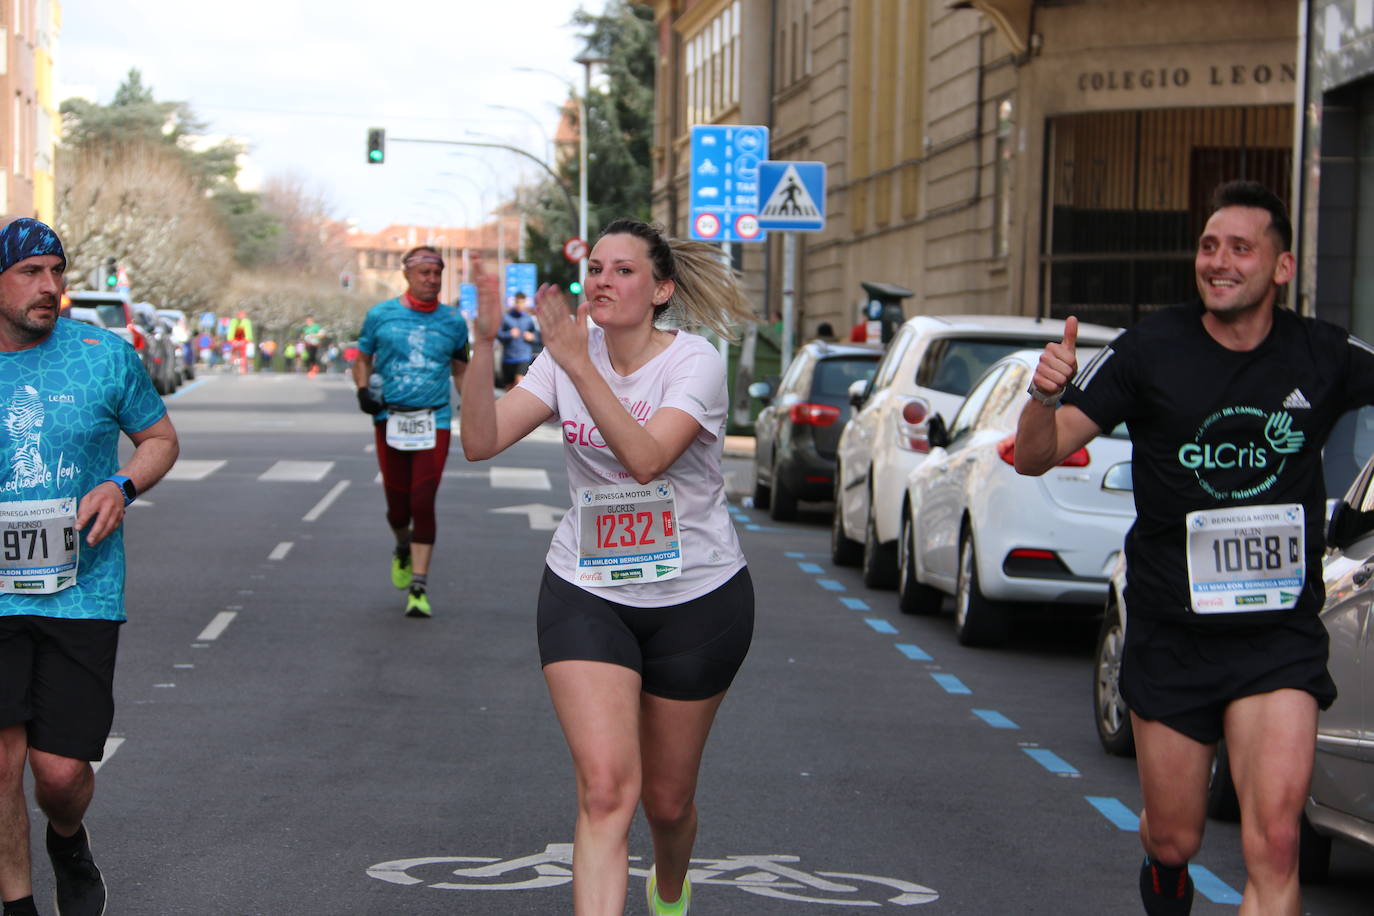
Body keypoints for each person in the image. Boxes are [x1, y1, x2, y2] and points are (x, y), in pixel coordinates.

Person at [1014, 180, 1374, 916]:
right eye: (1209, 246)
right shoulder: (1151, 349)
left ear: (1281, 267)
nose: (1219, 261)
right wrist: (1044, 397)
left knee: (1274, 843)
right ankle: (1168, 879)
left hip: (1277, 637)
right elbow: (1035, 456)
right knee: (1174, 837)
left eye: (1241, 248)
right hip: (1173, 634)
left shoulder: (1323, 353)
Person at [461, 218, 756, 915]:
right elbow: (480, 441)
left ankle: (671, 888)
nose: (602, 280)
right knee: (603, 791)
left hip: (698, 596)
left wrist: (579, 365)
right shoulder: (566, 356)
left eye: (623, 270)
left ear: (660, 290)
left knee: (667, 801)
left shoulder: (694, 363)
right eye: (595, 267)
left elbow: (647, 458)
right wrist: (479, 345)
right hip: (587, 588)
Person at [0, 217, 179, 916]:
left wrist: (122, 484)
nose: (50, 288)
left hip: (82, 590)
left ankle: (67, 837)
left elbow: (160, 438)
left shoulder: (104, 355)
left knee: (60, 773)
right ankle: (17, 904)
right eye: (30, 273)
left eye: (57, 272)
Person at [353, 245, 469, 618]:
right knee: (397, 507)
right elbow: (363, 359)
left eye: (437, 274)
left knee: (423, 501)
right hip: (391, 419)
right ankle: (402, 544)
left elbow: (461, 369)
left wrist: (473, 407)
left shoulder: (454, 321)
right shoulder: (380, 315)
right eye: (424, 274)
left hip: (433, 420)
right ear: (407, 275)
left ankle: (418, 586)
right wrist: (361, 391)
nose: (432, 280)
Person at [497, 291, 540, 390]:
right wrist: (509, 334)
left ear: (525, 303)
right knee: (509, 388)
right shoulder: (506, 317)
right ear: (514, 302)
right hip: (508, 358)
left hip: (523, 357)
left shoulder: (528, 319)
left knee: (519, 384)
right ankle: (510, 405)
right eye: (518, 302)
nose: (520, 305)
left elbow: (537, 337)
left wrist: (532, 336)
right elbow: (498, 335)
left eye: (522, 302)